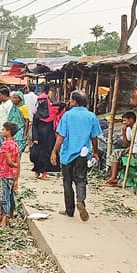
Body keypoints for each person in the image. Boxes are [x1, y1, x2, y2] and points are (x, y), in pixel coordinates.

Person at [51, 91, 102, 222]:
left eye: (71, 99)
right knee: (81, 180)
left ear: (74, 101)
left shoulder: (68, 115)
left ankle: (69, 210)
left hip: (67, 153)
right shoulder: (91, 116)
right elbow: (94, 137)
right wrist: (95, 152)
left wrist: (54, 151)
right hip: (83, 154)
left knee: (67, 181)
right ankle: (80, 201)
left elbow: (61, 136)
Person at [105, 111, 137, 186]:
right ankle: (113, 177)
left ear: (131, 119)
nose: (123, 122)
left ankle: (114, 176)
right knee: (115, 153)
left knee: (117, 153)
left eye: (125, 120)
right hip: (132, 148)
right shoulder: (128, 129)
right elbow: (126, 144)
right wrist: (124, 133)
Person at [30, 93, 61, 179]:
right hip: (39, 137)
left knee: (47, 154)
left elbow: (63, 105)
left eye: (43, 100)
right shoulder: (36, 113)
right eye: (39, 101)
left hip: (49, 137)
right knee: (36, 154)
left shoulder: (53, 111)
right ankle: (37, 171)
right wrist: (35, 137)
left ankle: (44, 173)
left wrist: (52, 104)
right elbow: (34, 126)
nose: (41, 102)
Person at [0, 122, 21, 227]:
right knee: (11, 195)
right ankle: (11, 215)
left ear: (8, 132)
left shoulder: (6, 145)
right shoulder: (15, 144)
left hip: (6, 173)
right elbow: (18, 161)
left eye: (3, 129)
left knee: (5, 197)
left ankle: (4, 218)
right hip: (12, 174)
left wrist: (13, 165)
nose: (2, 131)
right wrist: (17, 178)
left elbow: (10, 162)